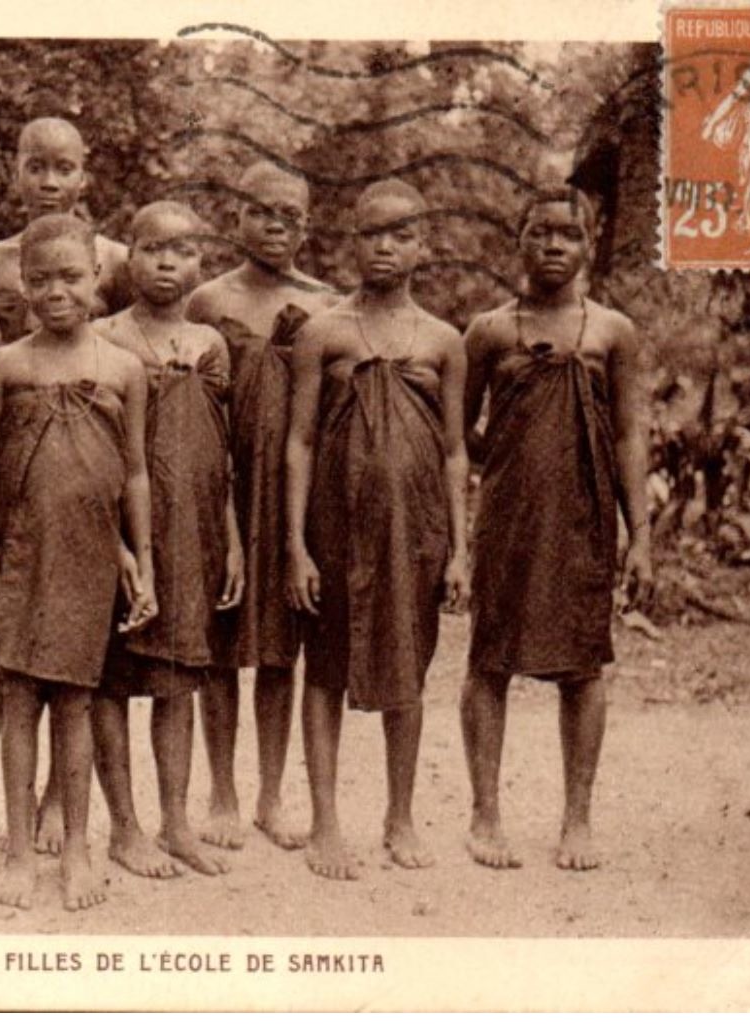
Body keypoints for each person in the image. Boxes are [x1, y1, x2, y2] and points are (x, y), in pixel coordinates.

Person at [461, 188, 653, 871]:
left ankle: (577, 819)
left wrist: (641, 538)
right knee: (489, 660)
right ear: (517, 240)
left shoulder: (611, 332)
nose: (551, 245)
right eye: (538, 232)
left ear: (588, 245)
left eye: (567, 234)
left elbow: (630, 435)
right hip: (507, 519)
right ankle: (485, 816)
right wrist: (515, 459)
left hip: (585, 518)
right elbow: (458, 434)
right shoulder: (487, 331)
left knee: (582, 664)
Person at [0, 213, 156, 911]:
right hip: (19, 558)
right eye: (40, 278)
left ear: (97, 279)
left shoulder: (121, 368)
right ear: (21, 282)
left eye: (70, 277)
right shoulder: (5, 365)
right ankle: (19, 852)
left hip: (88, 560)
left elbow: (134, 473)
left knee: (76, 706)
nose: (56, 291)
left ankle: (77, 849)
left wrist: (143, 561)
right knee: (17, 707)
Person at [285, 180, 468, 880]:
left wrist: (459, 550)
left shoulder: (443, 341)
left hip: (413, 530)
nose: (384, 248)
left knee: (408, 665)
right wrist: (294, 545)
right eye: (371, 234)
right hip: (334, 527)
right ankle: (324, 821)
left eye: (399, 234)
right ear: (352, 241)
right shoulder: (323, 332)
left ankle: (399, 817)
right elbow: (298, 442)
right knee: (325, 667)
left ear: (421, 244)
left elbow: (454, 452)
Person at [186, 160, 335, 851]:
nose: (276, 227)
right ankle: (219, 792)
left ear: (306, 225)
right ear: (236, 215)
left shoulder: (328, 303)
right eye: (262, 212)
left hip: (293, 494)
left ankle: (272, 796)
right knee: (218, 643)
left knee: (280, 649)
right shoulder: (203, 300)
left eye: (291, 216)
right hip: (219, 484)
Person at [90, 201, 238, 880]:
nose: (166, 264)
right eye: (152, 249)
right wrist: (116, 541)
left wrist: (231, 540)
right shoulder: (102, 338)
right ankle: (123, 827)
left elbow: (222, 456)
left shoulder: (212, 344)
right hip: (119, 529)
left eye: (181, 252)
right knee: (112, 680)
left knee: (180, 678)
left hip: (195, 530)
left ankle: (176, 822)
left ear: (199, 263)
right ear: (129, 256)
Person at [0, 117, 131, 343]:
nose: (49, 182)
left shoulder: (115, 259)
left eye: (64, 169)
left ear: (82, 179)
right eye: (36, 168)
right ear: (16, 176)